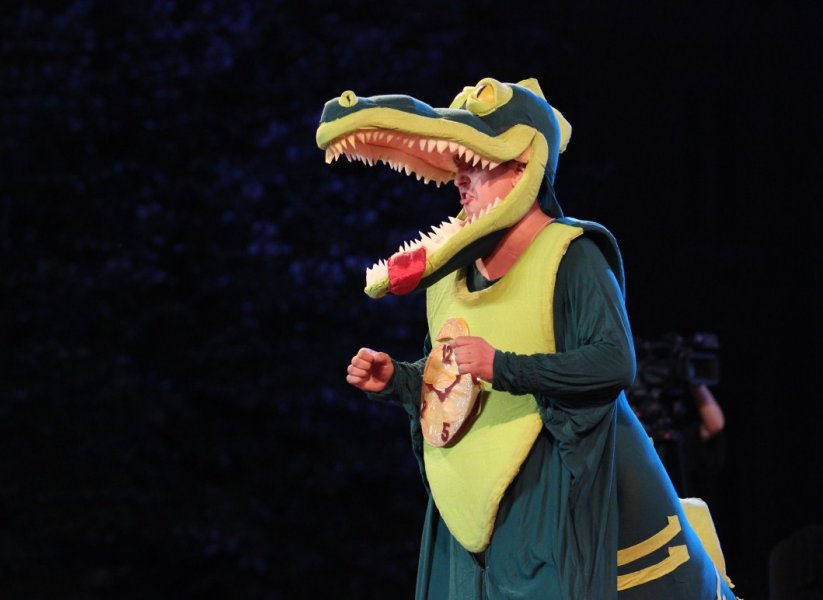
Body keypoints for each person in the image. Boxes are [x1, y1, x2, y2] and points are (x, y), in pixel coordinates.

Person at [331, 78, 736, 599]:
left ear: (523, 167)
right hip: (472, 501)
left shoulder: (570, 253)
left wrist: (505, 367)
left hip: (546, 488)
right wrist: (401, 382)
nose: (462, 183)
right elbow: (456, 382)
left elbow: (614, 362)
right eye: (459, 172)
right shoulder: (450, 277)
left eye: (476, 167)